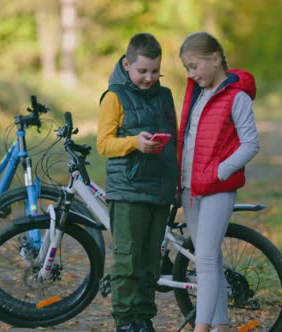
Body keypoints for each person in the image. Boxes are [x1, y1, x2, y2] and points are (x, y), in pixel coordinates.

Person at [177, 32, 260, 332]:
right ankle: (221, 325)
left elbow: (250, 143)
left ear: (215, 58)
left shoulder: (236, 96)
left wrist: (219, 172)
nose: (191, 73)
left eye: (195, 65)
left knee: (207, 259)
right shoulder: (197, 94)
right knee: (207, 259)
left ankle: (201, 328)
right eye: (187, 68)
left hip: (216, 189)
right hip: (190, 188)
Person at [96, 32, 179, 332]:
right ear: (126, 64)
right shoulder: (114, 96)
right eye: (142, 71)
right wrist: (134, 143)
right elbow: (104, 145)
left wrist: (178, 182)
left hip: (160, 189)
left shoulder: (165, 95)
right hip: (128, 191)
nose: (149, 77)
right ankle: (125, 321)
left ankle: (144, 318)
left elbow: (176, 141)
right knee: (128, 261)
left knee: (149, 262)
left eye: (155, 71)